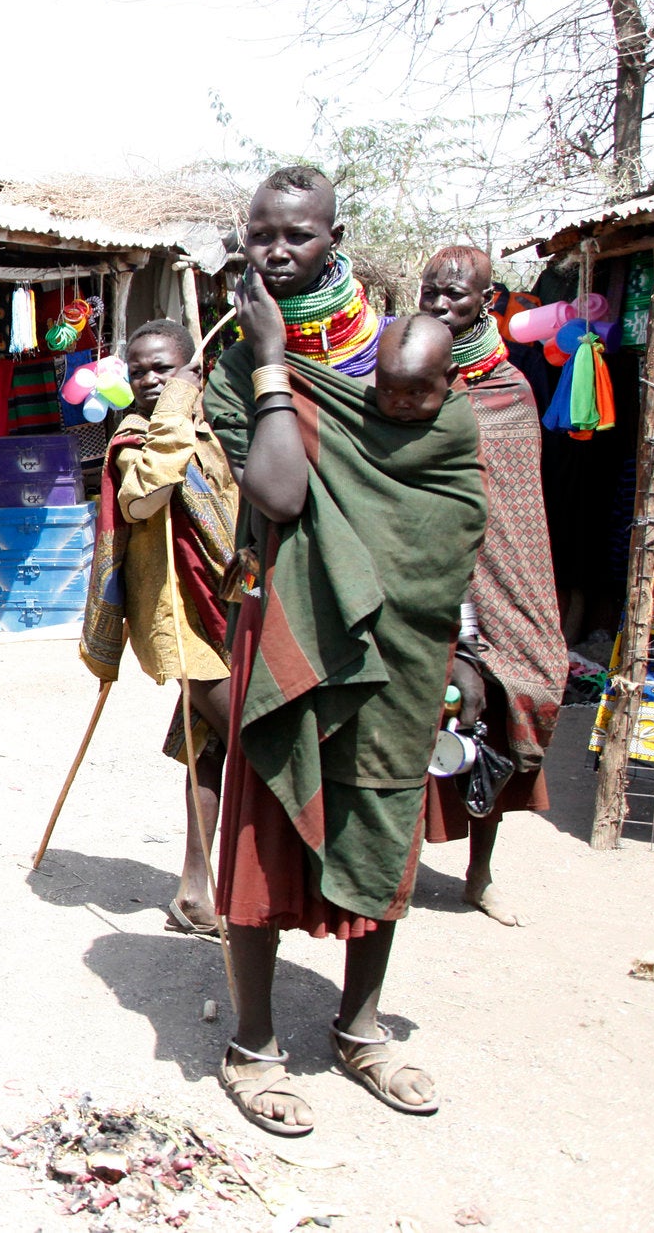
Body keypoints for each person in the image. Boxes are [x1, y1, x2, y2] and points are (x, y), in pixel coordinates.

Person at [203, 165, 487, 1137]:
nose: (275, 252)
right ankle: (252, 1041)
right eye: (260, 234)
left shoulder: (403, 357)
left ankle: (361, 1027)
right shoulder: (240, 357)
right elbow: (278, 493)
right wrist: (274, 359)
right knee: (266, 818)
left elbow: (445, 501)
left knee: (379, 812)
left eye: (296, 235)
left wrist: (467, 644)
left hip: (399, 635)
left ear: (335, 237)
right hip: (284, 616)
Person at [418, 245, 569, 927]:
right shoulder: (402, 370)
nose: (441, 303)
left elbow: (514, 503)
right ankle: (387, 869)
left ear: (485, 300)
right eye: (431, 291)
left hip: (496, 567)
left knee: (508, 696)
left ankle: (478, 873)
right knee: (413, 710)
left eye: (455, 294)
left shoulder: (508, 389)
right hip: (420, 559)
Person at [79, 319, 239, 937]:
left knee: (210, 748)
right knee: (251, 739)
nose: (149, 380)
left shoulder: (215, 428)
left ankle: (195, 892)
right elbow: (144, 496)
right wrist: (174, 408)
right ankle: (255, 885)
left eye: (163, 370)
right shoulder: (132, 441)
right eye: (139, 370)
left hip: (231, 606)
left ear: (191, 371)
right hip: (179, 618)